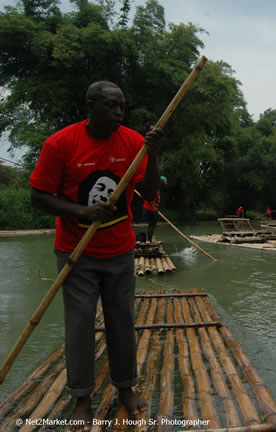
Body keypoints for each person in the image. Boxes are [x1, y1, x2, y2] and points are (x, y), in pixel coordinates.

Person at [29, 81, 163, 431]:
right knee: (79, 324)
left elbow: (149, 193)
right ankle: (82, 398)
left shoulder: (134, 142)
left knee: (122, 320)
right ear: (90, 106)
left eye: (122, 106)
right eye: (110, 106)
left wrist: (154, 153)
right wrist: (80, 212)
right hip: (77, 252)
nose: (119, 112)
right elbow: (38, 196)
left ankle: (125, 389)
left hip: (119, 250)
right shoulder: (60, 144)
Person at [142, 175, 167, 242]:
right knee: (152, 225)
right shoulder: (154, 188)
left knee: (152, 225)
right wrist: (153, 208)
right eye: (163, 184)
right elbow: (149, 198)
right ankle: (150, 241)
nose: (163, 186)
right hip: (150, 209)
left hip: (152, 209)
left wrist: (155, 208)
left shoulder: (156, 189)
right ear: (160, 182)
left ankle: (149, 240)